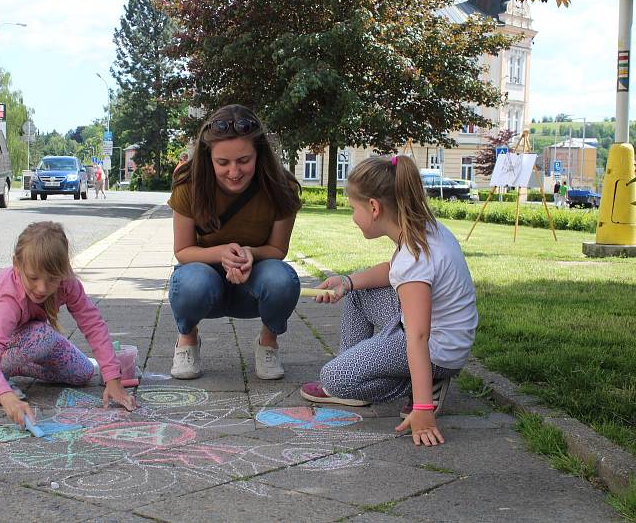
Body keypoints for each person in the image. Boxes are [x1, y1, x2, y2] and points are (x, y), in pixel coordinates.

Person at [300, 155, 478, 446]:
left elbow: (418, 337)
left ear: (373, 207)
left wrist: (422, 409)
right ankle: (362, 369)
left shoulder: (415, 258)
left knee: (334, 378)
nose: (352, 217)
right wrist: (346, 282)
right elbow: (392, 272)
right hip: (434, 333)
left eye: (352, 209)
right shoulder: (422, 229)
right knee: (356, 294)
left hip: (437, 350)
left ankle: (424, 388)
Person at [0, 221, 137, 427]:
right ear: (17, 265)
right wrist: (7, 398)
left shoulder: (67, 283)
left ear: (64, 270)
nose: (41, 288)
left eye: (52, 279)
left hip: (22, 333)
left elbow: (92, 324)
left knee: (83, 372)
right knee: (41, 337)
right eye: (33, 278)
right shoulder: (9, 299)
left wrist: (112, 378)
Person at [168, 104, 302, 381]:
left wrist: (249, 253)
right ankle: (188, 338)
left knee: (283, 279)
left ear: (260, 154)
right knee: (190, 282)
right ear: (208, 158)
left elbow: (277, 250)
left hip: (254, 282)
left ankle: (268, 342)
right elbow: (182, 251)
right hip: (205, 282)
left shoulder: (282, 188)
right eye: (223, 163)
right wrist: (220, 253)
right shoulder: (188, 184)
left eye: (244, 160)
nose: (234, 172)